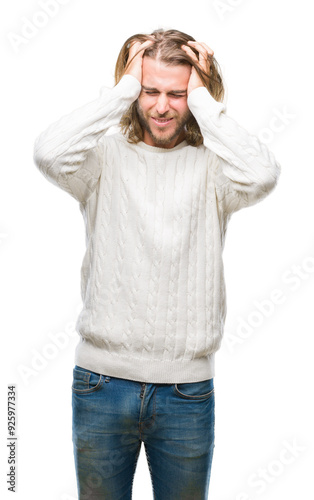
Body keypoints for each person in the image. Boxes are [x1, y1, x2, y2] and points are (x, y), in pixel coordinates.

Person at [33, 28, 281, 500]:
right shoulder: (102, 158)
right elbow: (48, 152)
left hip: (186, 393)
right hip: (101, 386)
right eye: (150, 91)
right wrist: (123, 90)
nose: (162, 107)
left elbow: (263, 174)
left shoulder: (214, 168)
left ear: (198, 96)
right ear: (133, 89)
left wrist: (208, 106)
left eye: (178, 94)